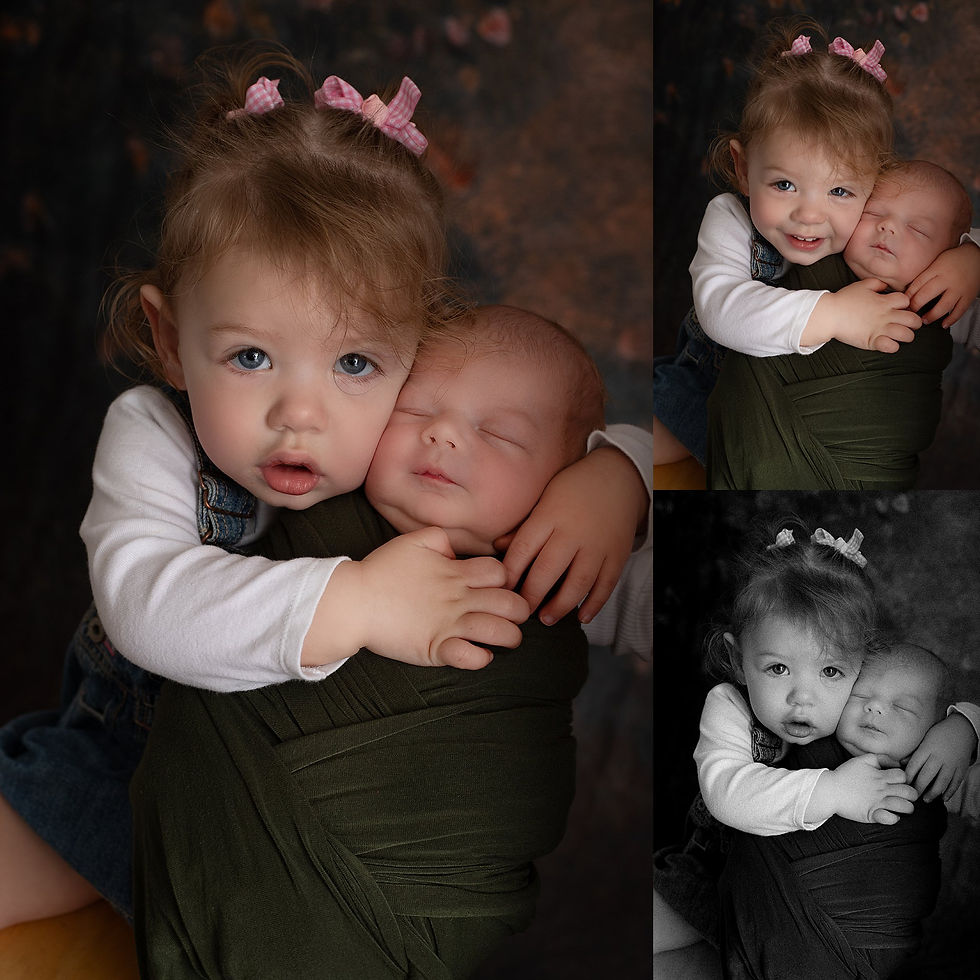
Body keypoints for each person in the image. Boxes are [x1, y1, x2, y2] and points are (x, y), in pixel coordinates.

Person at [0, 47, 650, 930]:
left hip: (296, 864)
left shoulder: (432, 463)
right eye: (250, 357)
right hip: (124, 773)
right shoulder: (153, 436)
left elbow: (660, 600)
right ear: (167, 337)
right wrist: (362, 599)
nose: (300, 414)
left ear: (416, 354)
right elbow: (146, 606)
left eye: (355, 362)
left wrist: (620, 478)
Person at [129, 305, 629, 978]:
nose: (444, 436)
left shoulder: (571, 573)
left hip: (420, 890)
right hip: (215, 835)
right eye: (415, 412)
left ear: (568, 478)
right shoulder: (300, 496)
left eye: (502, 435)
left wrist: (626, 478)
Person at [653, 18, 980, 468]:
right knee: (647, 446)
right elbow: (721, 310)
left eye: (841, 192)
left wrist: (972, 259)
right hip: (707, 393)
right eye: (784, 184)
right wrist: (834, 313)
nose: (809, 215)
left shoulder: (887, 247)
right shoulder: (730, 218)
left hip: (813, 443)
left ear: (875, 187)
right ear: (744, 168)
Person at [652, 522, 979, 962]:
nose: (802, 699)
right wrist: (832, 790)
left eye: (830, 672)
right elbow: (727, 794)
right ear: (737, 659)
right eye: (778, 669)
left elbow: (952, 769)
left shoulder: (865, 714)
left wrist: (964, 728)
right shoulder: (729, 706)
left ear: (862, 666)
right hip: (708, 877)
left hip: (785, 925)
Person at [707, 159, 980, 489]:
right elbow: (726, 308)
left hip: (865, 470)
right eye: (873, 214)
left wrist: (974, 259)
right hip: (750, 434)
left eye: (919, 229)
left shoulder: (947, 306)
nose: (888, 227)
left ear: (948, 253)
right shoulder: (809, 249)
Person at [718, 642, 978, 979]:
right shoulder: (805, 739)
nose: (875, 708)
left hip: (858, 948)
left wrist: (967, 727)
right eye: (860, 696)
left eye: (902, 707)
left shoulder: (932, 776)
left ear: (933, 728)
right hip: (756, 917)